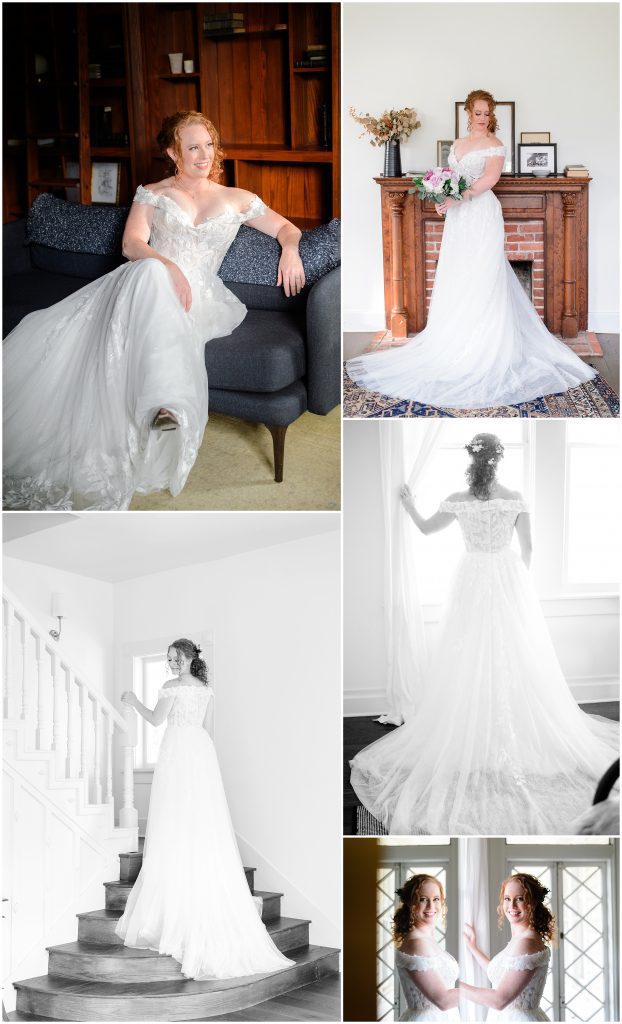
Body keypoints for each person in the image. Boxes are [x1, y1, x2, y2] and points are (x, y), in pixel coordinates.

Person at [3, 110, 305, 510]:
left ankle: (162, 406)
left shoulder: (239, 199)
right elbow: (132, 245)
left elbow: (288, 228)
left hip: (203, 296)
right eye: (192, 147)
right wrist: (168, 267)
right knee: (148, 271)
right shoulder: (153, 193)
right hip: (147, 282)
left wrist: (291, 250)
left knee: (156, 281)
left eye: (208, 145)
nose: (203, 155)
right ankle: (164, 405)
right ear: (173, 152)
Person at [349, 433, 619, 835]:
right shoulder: (514, 498)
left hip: (473, 577)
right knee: (511, 654)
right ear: (498, 460)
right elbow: (528, 550)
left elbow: (425, 530)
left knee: (471, 653)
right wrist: (517, 585)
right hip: (505, 576)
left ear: (471, 460)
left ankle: (481, 728)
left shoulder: (459, 498)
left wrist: (408, 504)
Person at [345, 89, 597, 410]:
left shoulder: (494, 145)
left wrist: (455, 199)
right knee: (458, 275)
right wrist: (442, 199)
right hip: (458, 218)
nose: (482, 118)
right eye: (477, 112)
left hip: (481, 214)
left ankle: (484, 348)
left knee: (483, 276)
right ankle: (453, 345)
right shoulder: (458, 145)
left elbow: (489, 179)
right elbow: (452, 177)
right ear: (468, 113)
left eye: (486, 113)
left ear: (491, 115)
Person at [117, 638, 293, 979]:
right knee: (197, 819)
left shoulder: (172, 687)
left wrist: (133, 699)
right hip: (199, 752)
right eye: (168, 659)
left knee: (174, 819)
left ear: (187, 658)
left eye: (174, 658)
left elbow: (156, 720)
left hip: (178, 752)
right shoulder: (207, 691)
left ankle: (173, 901)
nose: (171, 664)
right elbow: (208, 731)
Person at [460, 873, 553, 1021]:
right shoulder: (520, 939)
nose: (512, 906)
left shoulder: (526, 942)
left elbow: (499, 1000)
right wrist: (473, 947)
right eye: (507, 899)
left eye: (520, 899)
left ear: (532, 903)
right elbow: (500, 973)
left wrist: (457, 987)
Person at [393, 874, 460, 1021]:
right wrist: (485, 994)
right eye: (423, 899)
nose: (431, 906)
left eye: (436, 899)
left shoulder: (426, 938)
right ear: (411, 904)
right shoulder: (417, 943)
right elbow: (443, 1000)